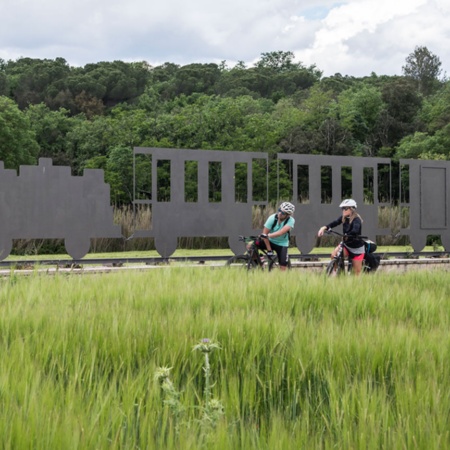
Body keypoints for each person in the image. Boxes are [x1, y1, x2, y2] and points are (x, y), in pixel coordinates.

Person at [317, 199, 365, 276]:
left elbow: (355, 230)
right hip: (346, 245)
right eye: (342, 208)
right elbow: (334, 223)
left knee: (356, 274)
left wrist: (348, 235)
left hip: (357, 248)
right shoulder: (344, 218)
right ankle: (336, 273)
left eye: (345, 208)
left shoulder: (357, 219)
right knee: (334, 255)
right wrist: (324, 227)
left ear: (351, 209)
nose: (343, 210)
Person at [258, 202, 295, 271]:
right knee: (251, 244)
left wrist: (268, 236)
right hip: (269, 241)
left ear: (288, 215)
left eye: (283, 213)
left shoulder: (291, 221)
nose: (280, 213)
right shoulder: (272, 218)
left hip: (282, 244)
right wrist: (269, 250)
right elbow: (264, 234)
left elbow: (280, 232)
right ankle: (258, 262)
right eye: (279, 210)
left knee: (283, 266)